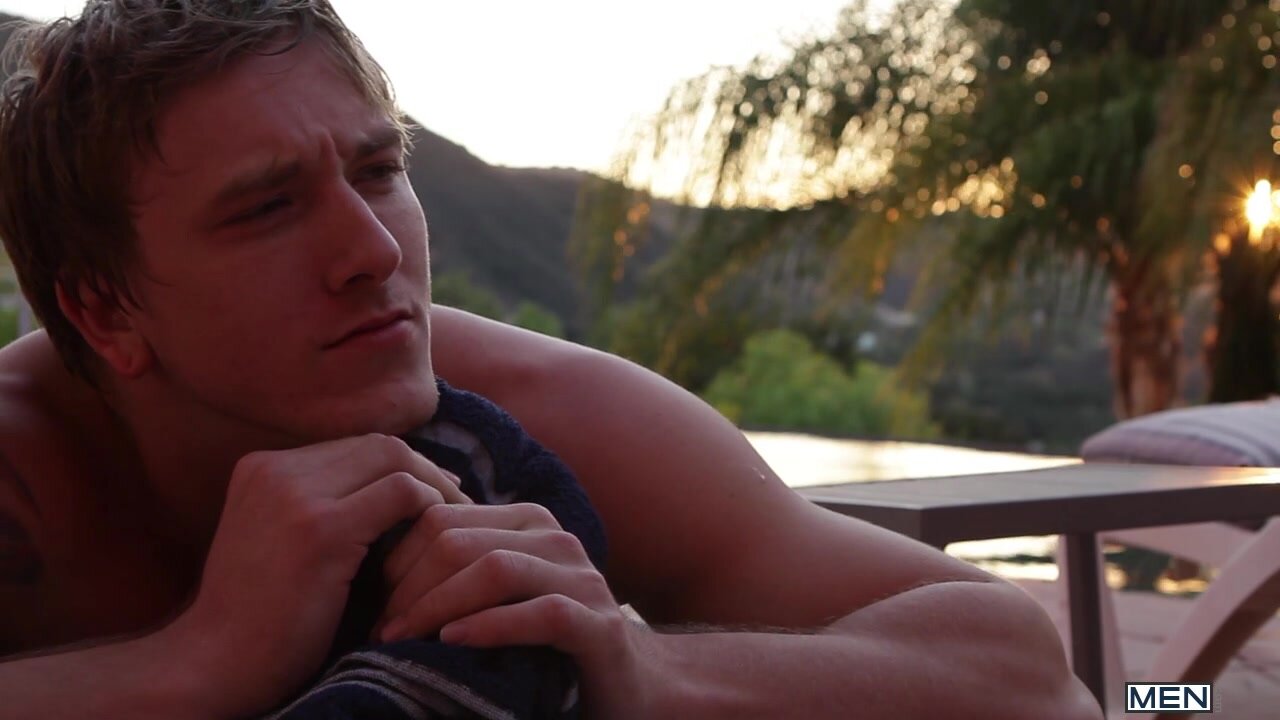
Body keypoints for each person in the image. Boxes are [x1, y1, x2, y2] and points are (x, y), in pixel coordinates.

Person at [0, 1, 1100, 718]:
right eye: (266, 209)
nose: (373, 251)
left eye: (379, 173)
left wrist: (645, 668)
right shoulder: (24, 474)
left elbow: (1035, 683)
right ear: (104, 308)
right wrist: (200, 660)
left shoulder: (544, 415)